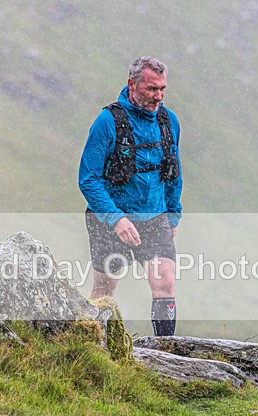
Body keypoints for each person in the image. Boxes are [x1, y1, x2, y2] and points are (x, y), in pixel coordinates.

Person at [78, 56, 183, 336]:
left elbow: (174, 173)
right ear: (132, 85)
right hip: (110, 219)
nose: (158, 96)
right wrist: (116, 219)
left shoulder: (168, 121)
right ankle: (86, 344)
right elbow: (88, 179)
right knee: (104, 290)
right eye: (151, 89)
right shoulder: (107, 122)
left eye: (162, 89)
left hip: (155, 216)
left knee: (165, 282)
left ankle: (166, 352)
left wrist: (173, 215)